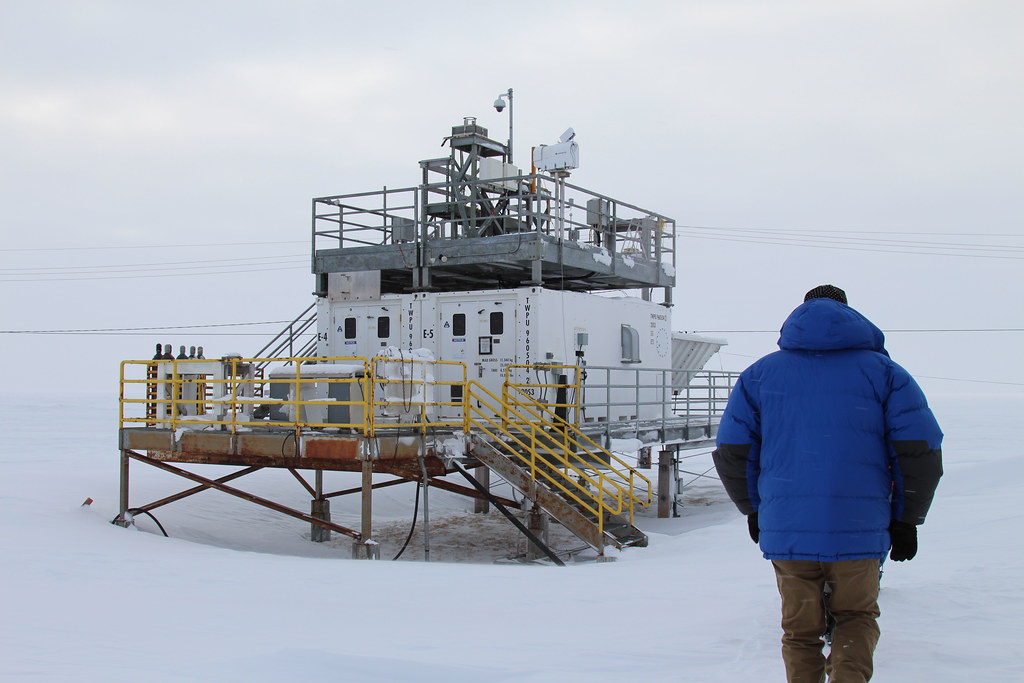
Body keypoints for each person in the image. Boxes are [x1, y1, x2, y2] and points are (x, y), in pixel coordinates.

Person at [712, 285, 943, 683]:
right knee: (855, 617)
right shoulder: (885, 373)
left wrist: (753, 508)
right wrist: (907, 518)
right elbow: (918, 451)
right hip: (859, 529)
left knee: (800, 632)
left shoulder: (760, 375)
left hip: (788, 530)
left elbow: (734, 451)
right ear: (849, 315)